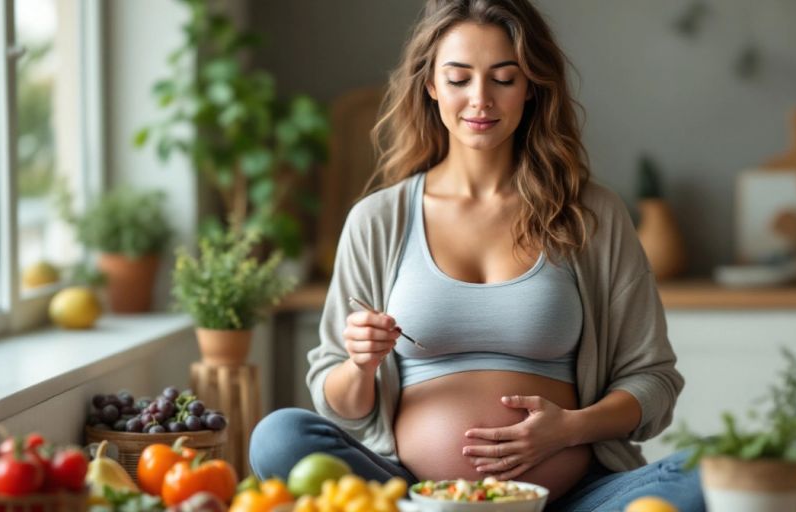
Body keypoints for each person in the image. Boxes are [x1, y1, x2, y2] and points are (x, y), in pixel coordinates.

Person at [250, 1, 704, 510]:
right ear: (431, 85)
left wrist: (569, 429)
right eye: (459, 78)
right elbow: (342, 408)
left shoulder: (591, 213)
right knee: (279, 436)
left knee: (706, 471)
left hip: (573, 497)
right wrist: (358, 364)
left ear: (531, 86)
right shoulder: (377, 220)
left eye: (504, 79)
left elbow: (654, 380)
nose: (480, 100)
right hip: (410, 495)